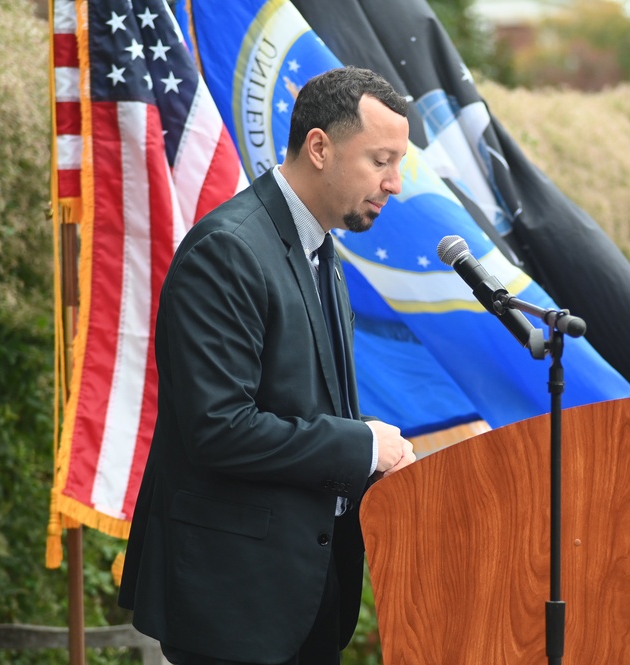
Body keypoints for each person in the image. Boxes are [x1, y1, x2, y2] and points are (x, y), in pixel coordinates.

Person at [118, 66, 417, 665]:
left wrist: (373, 455)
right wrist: (362, 446)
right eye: (380, 160)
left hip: (306, 588)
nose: (396, 183)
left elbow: (302, 407)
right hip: (233, 600)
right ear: (320, 147)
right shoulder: (228, 250)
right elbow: (219, 428)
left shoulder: (321, 249)